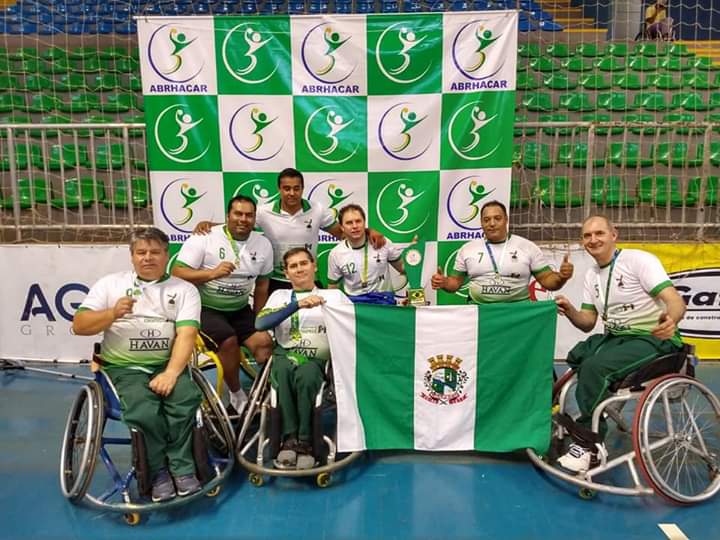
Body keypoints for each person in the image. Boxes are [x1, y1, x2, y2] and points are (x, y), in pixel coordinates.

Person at [72, 228, 203, 502]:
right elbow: (79, 325)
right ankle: (157, 472)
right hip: (123, 368)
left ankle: (182, 468)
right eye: (141, 252)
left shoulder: (184, 290)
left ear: (167, 255)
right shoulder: (110, 284)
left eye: (155, 252)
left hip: (165, 364)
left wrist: (170, 372)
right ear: (132, 257)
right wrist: (111, 313)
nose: (148, 258)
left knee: (186, 398)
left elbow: (187, 335)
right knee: (144, 409)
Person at [555, 215, 686, 472]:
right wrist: (570, 309)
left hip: (653, 339)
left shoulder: (639, 261)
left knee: (595, 367)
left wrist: (671, 319)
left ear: (614, 234)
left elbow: (675, 300)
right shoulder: (592, 274)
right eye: (587, 236)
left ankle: (591, 443)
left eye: (599, 233)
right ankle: (597, 411)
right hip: (617, 338)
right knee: (577, 355)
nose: (593, 239)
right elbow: (587, 322)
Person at [194, 167, 384, 294]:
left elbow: (343, 233)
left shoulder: (317, 210)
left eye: (296, 188)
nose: (291, 193)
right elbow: (239, 224)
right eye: (286, 188)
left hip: (308, 278)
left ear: (302, 189)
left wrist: (369, 231)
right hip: (276, 280)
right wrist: (209, 225)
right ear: (279, 189)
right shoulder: (264, 211)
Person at [172, 196, 274, 415]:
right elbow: (177, 273)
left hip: (239, 309)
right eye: (238, 214)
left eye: (248, 215)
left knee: (264, 343)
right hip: (205, 309)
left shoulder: (263, 243)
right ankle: (237, 395)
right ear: (228, 216)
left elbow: (263, 286)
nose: (243, 219)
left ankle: (263, 396)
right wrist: (211, 273)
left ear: (254, 218)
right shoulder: (205, 236)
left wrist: (261, 319)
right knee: (229, 341)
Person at [255, 247, 350, 470]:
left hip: (318, 360)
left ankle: (306, 442)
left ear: (314, 266)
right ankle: (289, 440)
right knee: (283, 370)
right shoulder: (279, 296)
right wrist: (296, 305)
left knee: (307, 376)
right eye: (293, 266)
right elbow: (260, 324)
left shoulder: (334, 296)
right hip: (285, 355)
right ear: (286, 273)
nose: (299, 269)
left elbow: (353, 324)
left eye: (304, 263)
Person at [431, 200, 574, 303]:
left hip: (517, 315)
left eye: (497, 218)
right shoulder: (468, 249)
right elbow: (455, 283)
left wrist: (561, 277)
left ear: (506, 220)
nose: (492, 223)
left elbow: (548, 281)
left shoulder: (527, 247)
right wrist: (444, 282)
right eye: (486, 220)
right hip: (480, 314)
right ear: (481, 223)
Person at [327, 204, 406, 305]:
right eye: (349, 223)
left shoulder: (382, 242)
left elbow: (403, 268)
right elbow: (333, 289)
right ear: (342, 227)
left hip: (384, 301)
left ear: (364, 223)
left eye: (358, 221)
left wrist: (415, 264)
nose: (355, 226)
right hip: (355, 305)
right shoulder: (336, 254)